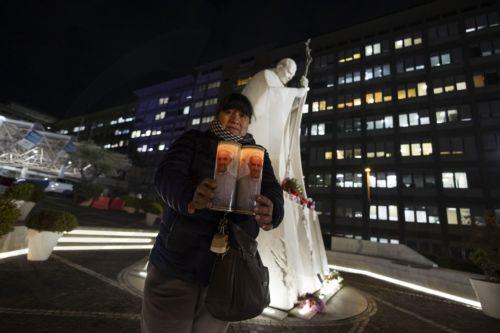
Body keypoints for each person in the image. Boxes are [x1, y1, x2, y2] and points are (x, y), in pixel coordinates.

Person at [141, 93, 284, 333]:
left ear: (249, 122)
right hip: (178, 262)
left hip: (228, 270)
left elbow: (272, 189)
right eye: (229, 111)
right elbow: (166, 176)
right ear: (219, 115)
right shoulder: (194, 140)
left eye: (243, 114)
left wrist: (274, 209)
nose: (236, 118)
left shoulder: (258, 155)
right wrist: (190, 195)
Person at [242, 58, 308, 188]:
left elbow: (284, 107)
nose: (289, 77)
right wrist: (297, 92)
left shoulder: (279, 84)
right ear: (279, 66)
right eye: (288, 72)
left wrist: (303, 90)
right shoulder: (267, 75)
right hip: (255, 128)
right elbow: (272, 95)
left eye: (292, 75)